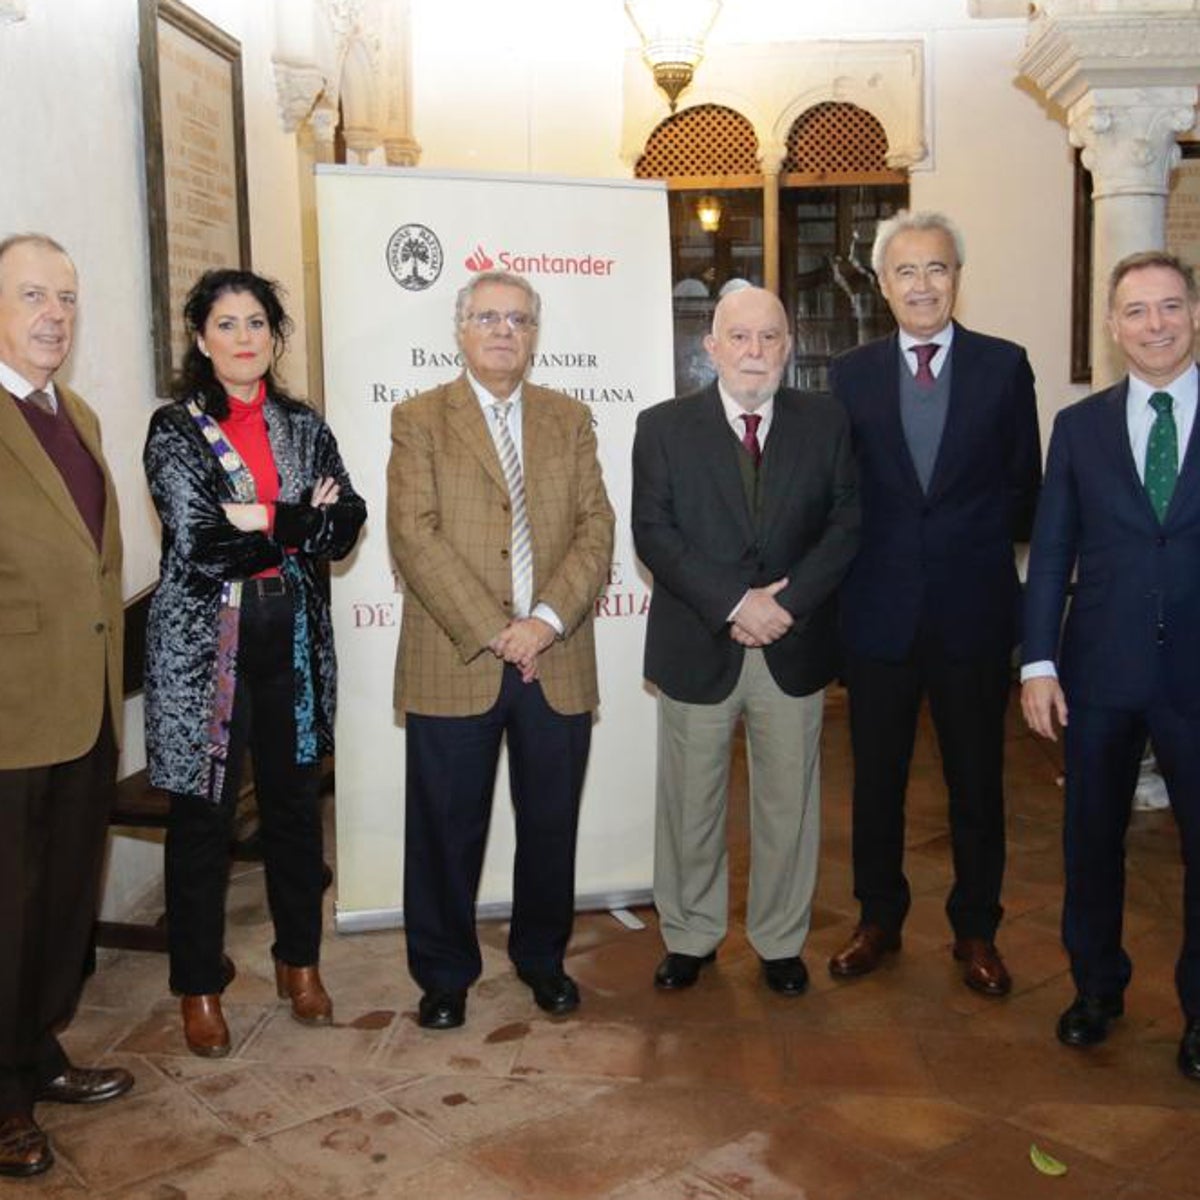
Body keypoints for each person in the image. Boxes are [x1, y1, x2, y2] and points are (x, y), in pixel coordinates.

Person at [143, 268, 365, 1058]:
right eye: (227, 325)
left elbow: (350, 523)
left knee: (297, 812)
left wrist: (271, 516)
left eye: (258, 323)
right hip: (206, 655)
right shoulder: (174, 431)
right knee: (202, 822)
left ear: (276, 335)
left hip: (293, 645)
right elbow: (203, 544)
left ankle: (298, 964)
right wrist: (305, 520)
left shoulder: (303, 426)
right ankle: (199, 986)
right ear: (202, 340)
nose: (245, 338)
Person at [388, 270, 614, 1030]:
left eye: (518, 320)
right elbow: (413, 536)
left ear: (534, 334)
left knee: (551, 823)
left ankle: (543, 959)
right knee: (446, 828)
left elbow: (597, 530)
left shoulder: (569, 418)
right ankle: (445, 974)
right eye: (487, 318)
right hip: (459, 657)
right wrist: (497, 627)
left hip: (557, 655)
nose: (503, 332)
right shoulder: (419, 419)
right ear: (460, 329)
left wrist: (544, 620)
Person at [827, 211, 1042, 996]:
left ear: (958, 276)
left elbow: (1026, 490)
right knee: (875, 780)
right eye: (906, 272)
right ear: (884, 286)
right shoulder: (849, 374)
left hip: (973, 614)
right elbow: (839, 495)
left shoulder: (1004, 366)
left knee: (978, 782)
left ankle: (977, 929)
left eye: (938, 269)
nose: (923, 285)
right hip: (877, 615)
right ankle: (878, 919)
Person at [632, 286, 859, 995]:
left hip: (791, 645)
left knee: (789, 804)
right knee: (690, 803)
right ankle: (691, 934)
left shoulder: (827, 423)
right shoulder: (663, 426)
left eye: (769, 337)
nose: (755, 351)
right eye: (740, 337)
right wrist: (734, 604)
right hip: (700, 641)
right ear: (712, 348)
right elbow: (654, 533)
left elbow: (847, 524)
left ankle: (780, 940)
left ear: (788, 347)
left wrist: (780, 607)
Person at [1021, 250, 1200, 1081]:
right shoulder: (1081, 428)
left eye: (1169, 307)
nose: (1154, 324)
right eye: (1136, 311)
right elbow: (1051, 553)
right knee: (1091, 840)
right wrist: (1038, 664)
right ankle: (1096, 990)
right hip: (1099, 672)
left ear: (1194, 315)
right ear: (1113, 324)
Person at [0, 233, 132, 1178]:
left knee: (59, 908)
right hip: (9, 716)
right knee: (6, 914)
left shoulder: (74, 413)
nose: (55, 316)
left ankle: (37, 1053)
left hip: (83, 710)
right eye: (33, 296)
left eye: (69, 300)